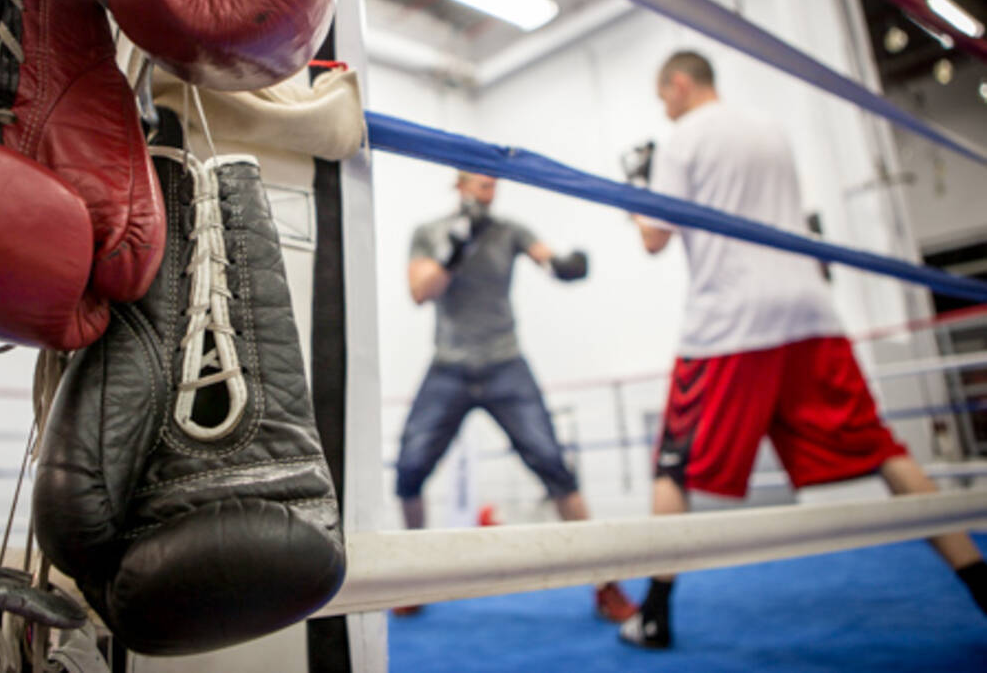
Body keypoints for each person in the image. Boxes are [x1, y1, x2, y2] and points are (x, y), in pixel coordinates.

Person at [620, 50, 987, 649]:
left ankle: (654, 614)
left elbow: (656, 239)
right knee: (881, 446)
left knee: (674, 464)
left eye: (664, 97)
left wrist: (635, 193)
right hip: (809, 311)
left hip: (730, 324)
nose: (665, 108)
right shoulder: (770, 130)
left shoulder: (682, 138)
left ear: (679, 86)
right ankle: (980, 584)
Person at [394, 171, 638, 622]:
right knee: (409, 470)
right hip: (449, 366)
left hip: (506, 364)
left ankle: (606, 583)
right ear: (459, 183)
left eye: (493, 184)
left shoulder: (509, 230)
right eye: (480, 183)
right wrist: (454, 252)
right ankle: (413, 579)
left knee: (554, 466)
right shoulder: (428, 232)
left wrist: (566, 266)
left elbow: (547, 257)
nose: (489, 191)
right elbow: (419, 291)